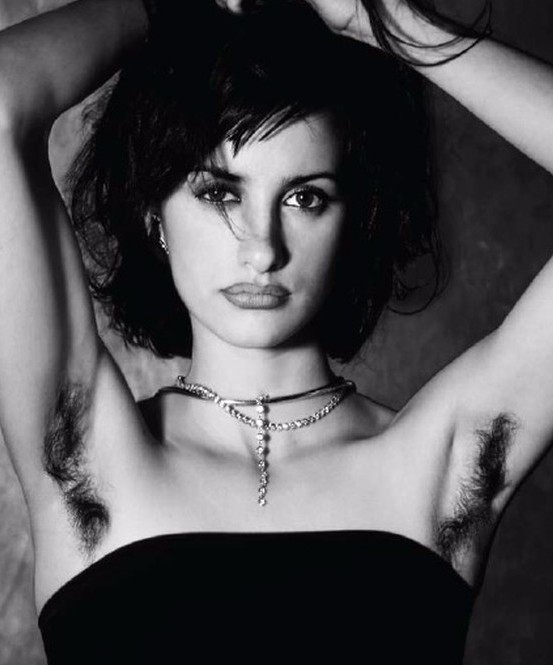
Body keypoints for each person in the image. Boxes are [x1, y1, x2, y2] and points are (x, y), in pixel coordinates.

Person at [1, 0, 552, 663]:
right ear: (154, 217)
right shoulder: (84, 460)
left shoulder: (441, 468)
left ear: (355, 220)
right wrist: (171, 5)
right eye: (219, 193)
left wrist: (376, 19)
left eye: (304, 198)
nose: (262, 249)